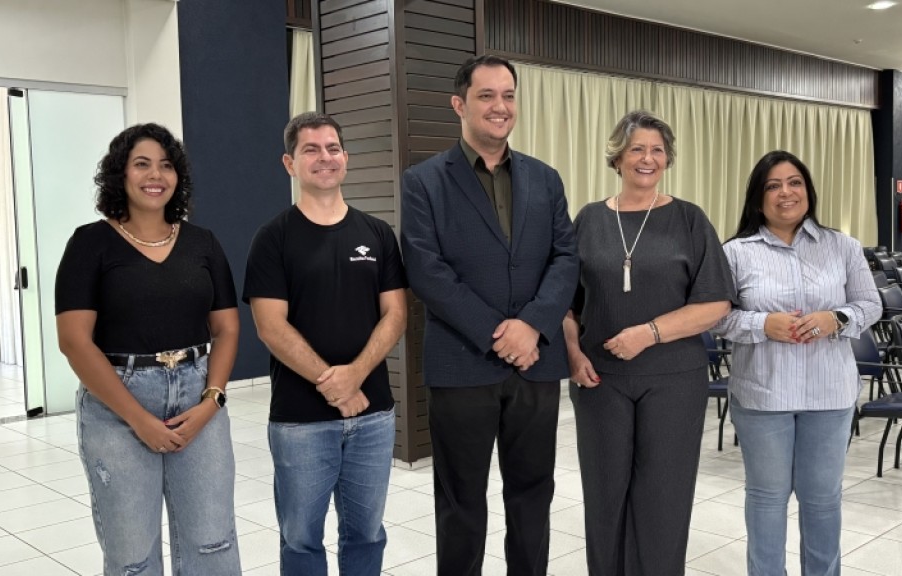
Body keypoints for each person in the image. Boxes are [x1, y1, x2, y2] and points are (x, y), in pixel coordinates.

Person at [401, 55, 579, 576]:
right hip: (462, 364)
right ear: (459, 104)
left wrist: (533, 326)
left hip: (536, 365)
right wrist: (497, 333)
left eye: (508, 95)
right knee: (461, 502)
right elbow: (426, 270)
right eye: (486, 95)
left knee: (533, 495)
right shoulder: (423, 181)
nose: (500, 106)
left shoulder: (545, 179)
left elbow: (566, 258)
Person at [56, 123, 241, 575]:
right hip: (117, 404)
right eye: (142, 164)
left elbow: (227, 329)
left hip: (198, 399)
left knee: (212, 543)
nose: (156, 175)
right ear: (120, 173)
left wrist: (211, 400)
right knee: (132, 555)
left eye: (166, 165)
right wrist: (139, 419)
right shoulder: (89, 244)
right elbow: (74, 342)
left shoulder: (203, 242)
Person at [562, 110, 735, 576]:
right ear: (617, 157)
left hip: (674, 380)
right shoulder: (590, 219)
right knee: (604, 496)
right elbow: (566, 304)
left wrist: (649, 334)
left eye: (658, 150)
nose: (648, 158)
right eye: (637, 148)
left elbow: (716, 302)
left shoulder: (689, 219)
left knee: (663, 498)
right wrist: (572, 354)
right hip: (599, 381)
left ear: (668, 159)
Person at [244, 112, 407, 576]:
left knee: (367, 534)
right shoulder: (272, 239)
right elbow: (270, 326)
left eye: (332, 148)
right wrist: (333, 383)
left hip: (372, 416)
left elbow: (396, 314)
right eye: (311, 149)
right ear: (289, 163)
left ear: (345, 158)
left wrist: (355, 376)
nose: (325, 157)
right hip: (301, 421)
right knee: (300, 541)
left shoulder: (377, 234)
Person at [712, 150, 881, 576]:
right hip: (763, 395)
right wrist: (762, 324)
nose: (785, 193)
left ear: (807, 190)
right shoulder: (735, 253)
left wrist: (836, 318)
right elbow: (717, 318)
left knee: (822, 501)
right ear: (758, 198)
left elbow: (870, 305)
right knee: (767, 500)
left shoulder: (842, 246)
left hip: (830, 393)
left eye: (794, 183)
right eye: (773, 186)